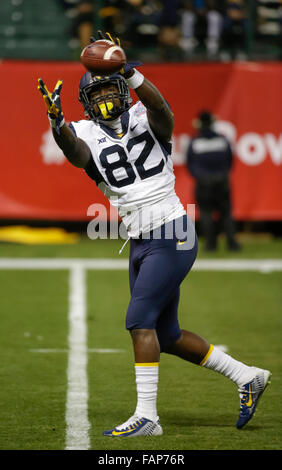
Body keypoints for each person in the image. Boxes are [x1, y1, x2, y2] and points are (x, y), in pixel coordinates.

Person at [38, 31, 270, 437]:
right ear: (86, 104)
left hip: (173, 229)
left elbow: (162, 109)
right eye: (98, 94)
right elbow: (75, 152)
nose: (106, 98)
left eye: (112, 87)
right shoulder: (84, 132)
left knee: (138, 319)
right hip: (142, 238)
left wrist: (131, 74)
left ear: (124, 87)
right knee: (166, 334)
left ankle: (148, 417)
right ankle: (247, 376)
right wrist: (57, 123)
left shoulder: (148, 117)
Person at [187, 110, 240, 252]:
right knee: (226, 213)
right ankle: (232, 244)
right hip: (222, 181)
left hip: (203, 183)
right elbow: (230, 160)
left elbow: (190, 164)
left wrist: (201, 177)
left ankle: (211, 245)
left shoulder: (195, 142)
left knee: (206, 214)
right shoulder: (222, 140)